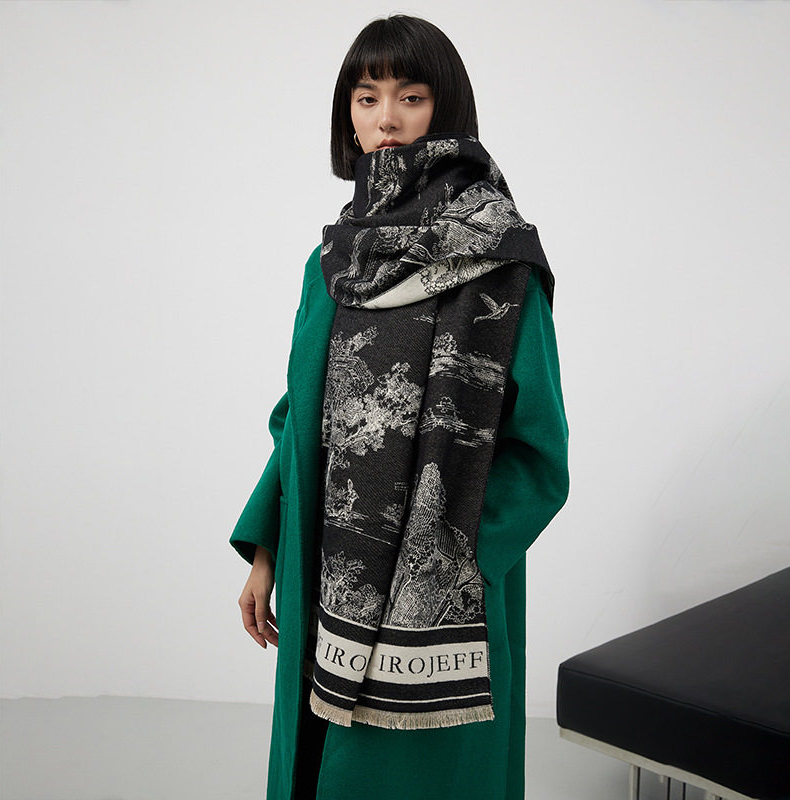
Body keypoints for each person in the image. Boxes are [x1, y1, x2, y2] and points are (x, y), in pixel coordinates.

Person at [230, 14, 569, 800]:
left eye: (411, 97)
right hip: (324, 575)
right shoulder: (331, 264)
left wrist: (449, 561)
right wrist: (268, 549)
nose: (386, 119)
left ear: (446, 111)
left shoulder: (500, 263)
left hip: (440, 601)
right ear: (346, 116)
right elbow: (300, 418)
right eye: (366, 97)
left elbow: (538, 453)